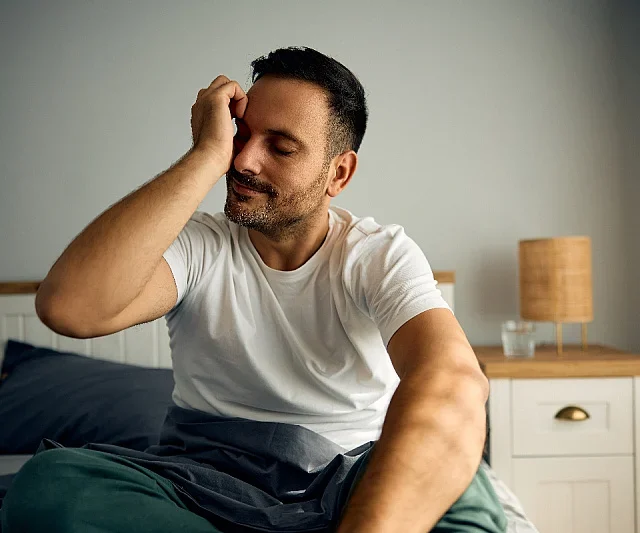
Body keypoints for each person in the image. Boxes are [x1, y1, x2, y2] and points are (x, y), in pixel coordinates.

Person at [1, 47, 506, 533]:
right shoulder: (198, 245)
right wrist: (205, 155)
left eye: (280, 147)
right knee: (50, 485)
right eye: (240, 136)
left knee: (464, 486)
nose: (243, 161)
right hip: (200, 488)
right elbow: (69, 308)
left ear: (338, 173)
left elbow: (453, 380)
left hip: (343, 490)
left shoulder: (376, 255)